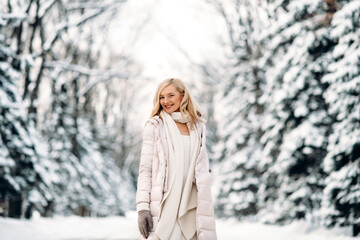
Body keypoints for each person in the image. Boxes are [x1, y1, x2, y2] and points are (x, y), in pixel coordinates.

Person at [136, 78, 217, 240]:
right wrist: (142, 207)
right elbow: (145, 170)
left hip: (192, 204)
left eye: (170, 95)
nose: (165, 101)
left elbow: (200, 164)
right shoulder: (155, 126)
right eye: (161, 97)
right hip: (165, 204)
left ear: (182, 95)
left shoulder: (198, 126)